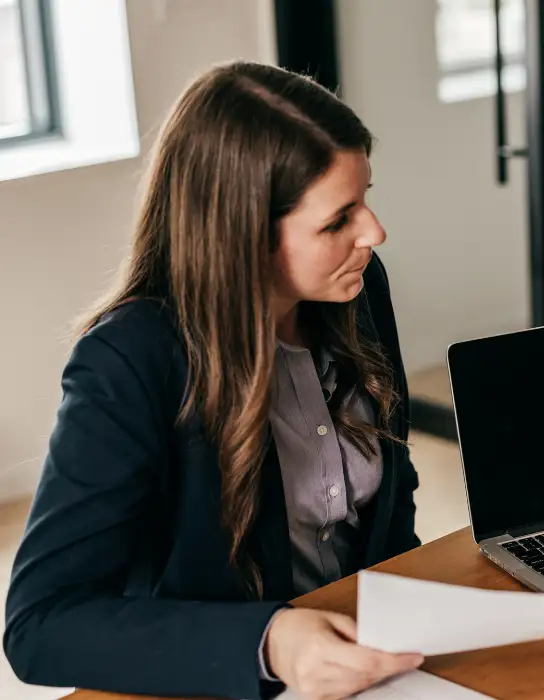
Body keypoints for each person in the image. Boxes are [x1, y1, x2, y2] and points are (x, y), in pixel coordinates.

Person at [4, 62, 424, 700]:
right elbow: (40, 625)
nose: (373, 231)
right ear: (244, 236)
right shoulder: (130, 359)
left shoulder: (358, 289)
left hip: (376, 664)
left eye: (366, 199)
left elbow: (391, 493)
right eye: (338, 220)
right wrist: (271, 641)